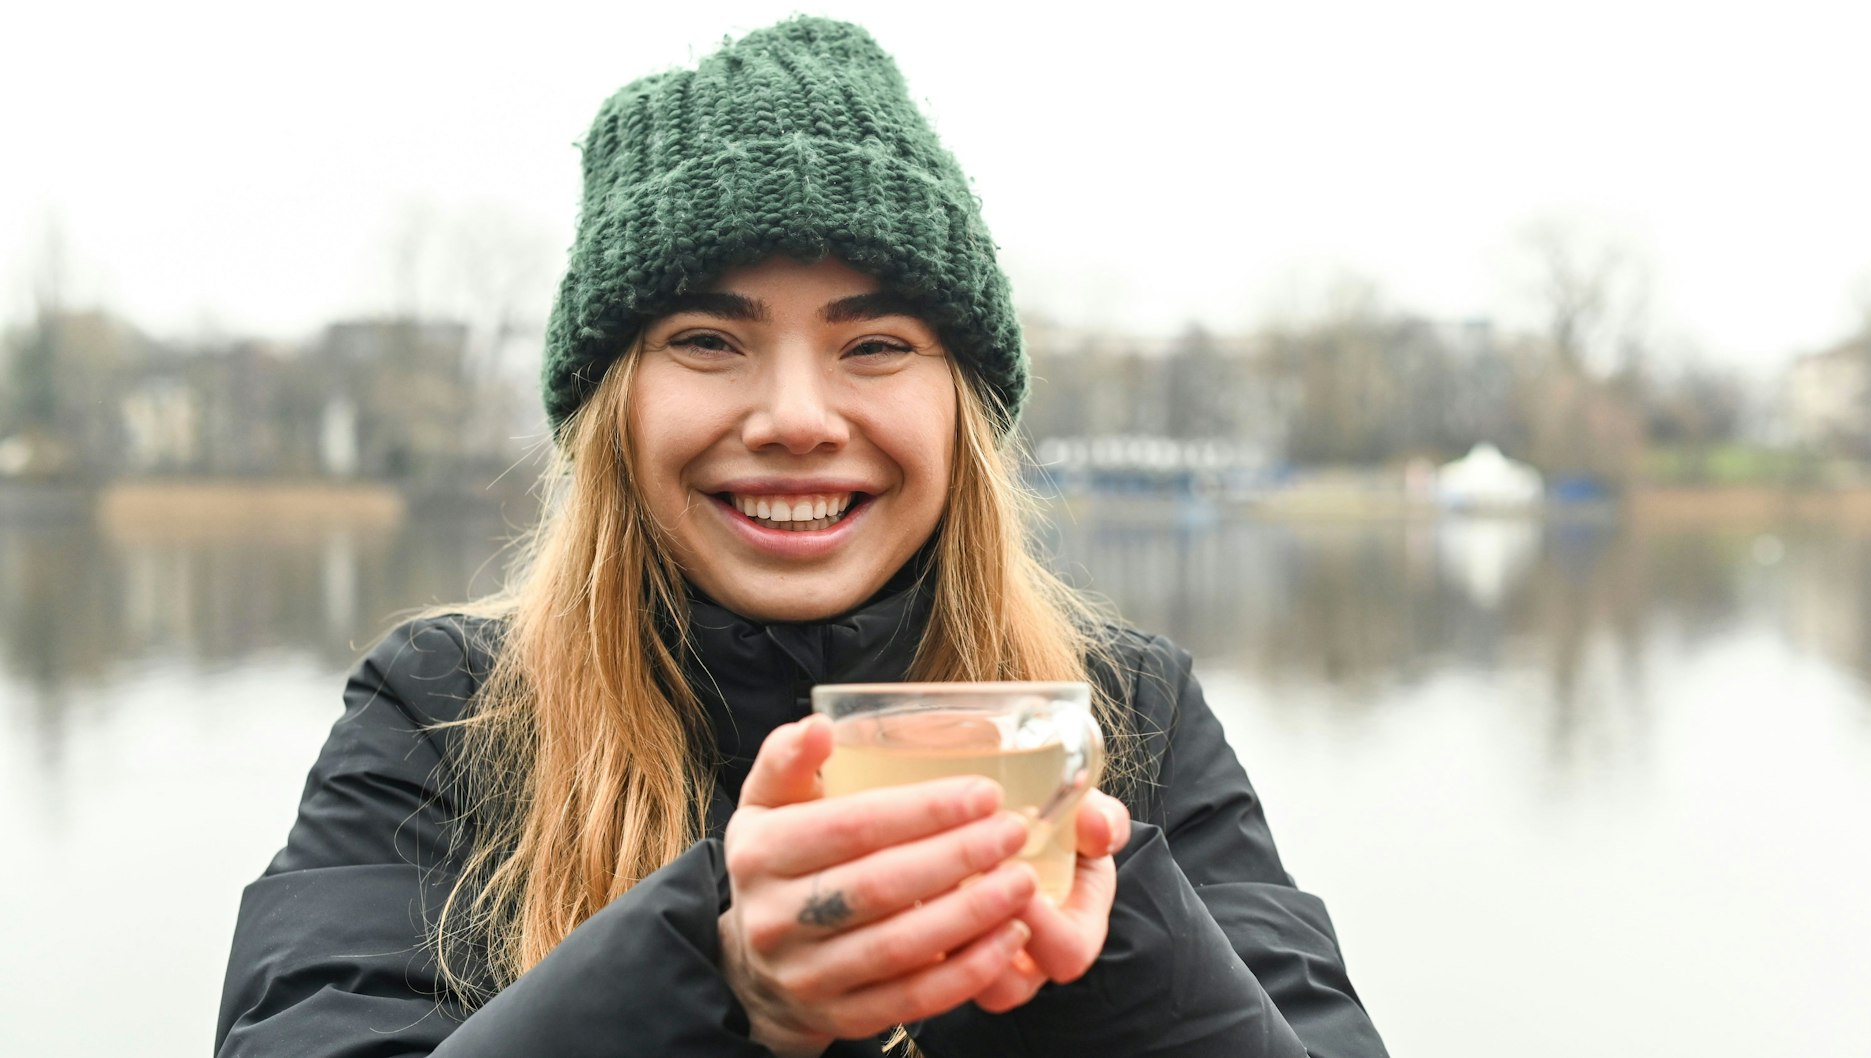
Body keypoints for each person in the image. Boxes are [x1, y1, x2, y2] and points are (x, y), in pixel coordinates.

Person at [215, 17, 1389, 1058]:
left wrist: (1104, 940)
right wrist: (714, 973)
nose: (793, 418)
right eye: (707, 341)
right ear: (608, 411)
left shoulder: (1129, 713)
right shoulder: (442, 711)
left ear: (961, 409)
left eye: (873, 344)